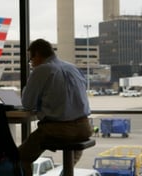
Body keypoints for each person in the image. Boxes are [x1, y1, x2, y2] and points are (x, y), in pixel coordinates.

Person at [18, 39, 93, 176]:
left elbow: (27, 103)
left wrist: (26, 89)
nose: (32, 64)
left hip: (58, 130)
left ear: (38, 55)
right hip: (84, 128)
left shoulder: (42, 70)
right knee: (71, 152)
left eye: (31, 60)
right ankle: (66, 172)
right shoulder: (72, 68)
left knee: (20, 157)